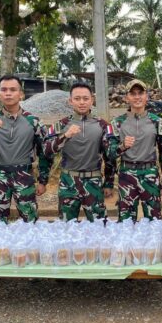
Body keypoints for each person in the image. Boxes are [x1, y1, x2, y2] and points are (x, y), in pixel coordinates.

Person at [0, 75, 52, 223]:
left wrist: (43, 180)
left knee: (30, 222)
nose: (8, 93)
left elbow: (45, 152)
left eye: (13, 90)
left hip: (24, 175)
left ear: (21, 94)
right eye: (4, 90)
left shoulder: (33, 121)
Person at [43, 81, 115, 222]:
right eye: (77, 98)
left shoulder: (103, 125)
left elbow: (110, 157)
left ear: (92, 100)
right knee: (66, 226)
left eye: (85, 98)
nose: (82, 102)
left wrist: (109, 183)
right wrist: (65, 136)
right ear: (70, 101)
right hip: (68, 182)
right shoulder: (61, 125)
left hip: (93, 181)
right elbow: (46, 150)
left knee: (99, 226)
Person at [107, 79, 162, 221]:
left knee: (154, 220)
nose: (137, 97)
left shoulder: (157, 121)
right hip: (126, 175)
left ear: (146, 96)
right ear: (126, 98)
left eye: (140, 93)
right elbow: (109, 154)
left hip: (150, 174)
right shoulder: (117, 123)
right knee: (126, 222)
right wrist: (122, 146)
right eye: (133, 94)